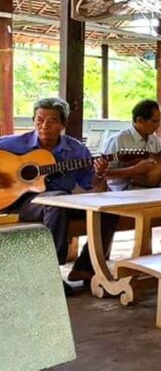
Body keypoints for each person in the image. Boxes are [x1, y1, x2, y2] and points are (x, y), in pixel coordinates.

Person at [0, 98, 109, 295]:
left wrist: (100, 173)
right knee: (56, 201)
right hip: (20, 203)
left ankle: (85, 267)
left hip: (63, 204)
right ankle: (49, 273)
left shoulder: (76, 151)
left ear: (63, 124)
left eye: (51, 121)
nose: (44, 125)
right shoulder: (14, 143)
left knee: (108, 210)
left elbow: (93, 187)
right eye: (39, 120)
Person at [98, 99, 161, 252]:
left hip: (151, 188)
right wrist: (134, 170)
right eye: (155, 121)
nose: (158, 125)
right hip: (126, 191)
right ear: (139, 120)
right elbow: (104, 174)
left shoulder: (154, 140)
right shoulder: (119, 140)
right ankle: (145, 253)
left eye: (160, 121)